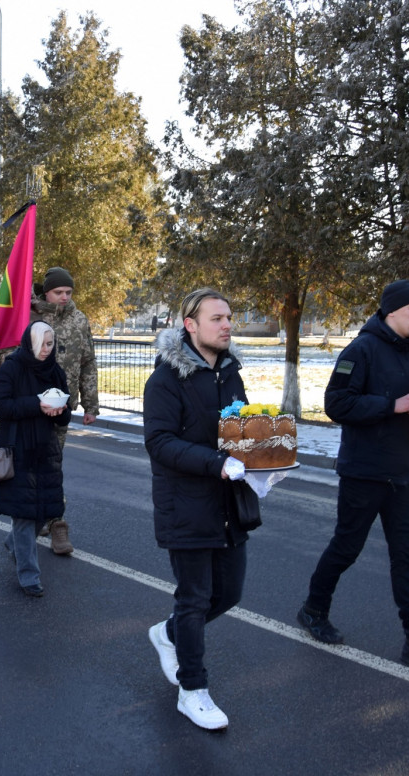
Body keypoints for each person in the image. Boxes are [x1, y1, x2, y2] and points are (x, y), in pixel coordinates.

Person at [296, 279, 409, 671]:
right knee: (346, 548)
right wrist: (392, 405)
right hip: (366, 473)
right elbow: (336, 403)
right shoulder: (361, 349)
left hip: (404, 474)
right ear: (391, 312)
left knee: (408, 557)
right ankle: (313, 610)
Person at [143, 288, 252, 731]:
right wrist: (217, 463)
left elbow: (239, 426)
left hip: (228, 502)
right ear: (190, 326)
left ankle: (166, 633)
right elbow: (160, 443)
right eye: (217, 318)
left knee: (229, 594)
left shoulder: (230, 372)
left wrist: (265, 458)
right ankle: (193, 691)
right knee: (194, 600)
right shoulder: (166, 379)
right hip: (184, 504)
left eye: (229, 317)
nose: (227, 325)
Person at [0, 321, 71, 597]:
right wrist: (36, 404)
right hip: (18, 448)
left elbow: (67, 412)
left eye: (50, 344)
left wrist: (59, 410)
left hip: (46, 450)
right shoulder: (13, 366)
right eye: (41, 344)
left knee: (46, 510)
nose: (46, 350)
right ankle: (29, 576)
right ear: (29, 342)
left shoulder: (54, 369)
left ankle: (14, 543)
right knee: (24, 514)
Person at [28, 266, 100, 555]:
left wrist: (90, 404)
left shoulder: (78, 319)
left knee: (53, 463)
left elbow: (87, 362)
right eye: (58, 292)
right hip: (31, 407)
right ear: (47, 292)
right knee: (31, 465)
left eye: (68, 292)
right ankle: (33, 518)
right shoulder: (31, 316)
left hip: (62, 408)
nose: (64, 297)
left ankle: (57, 521)